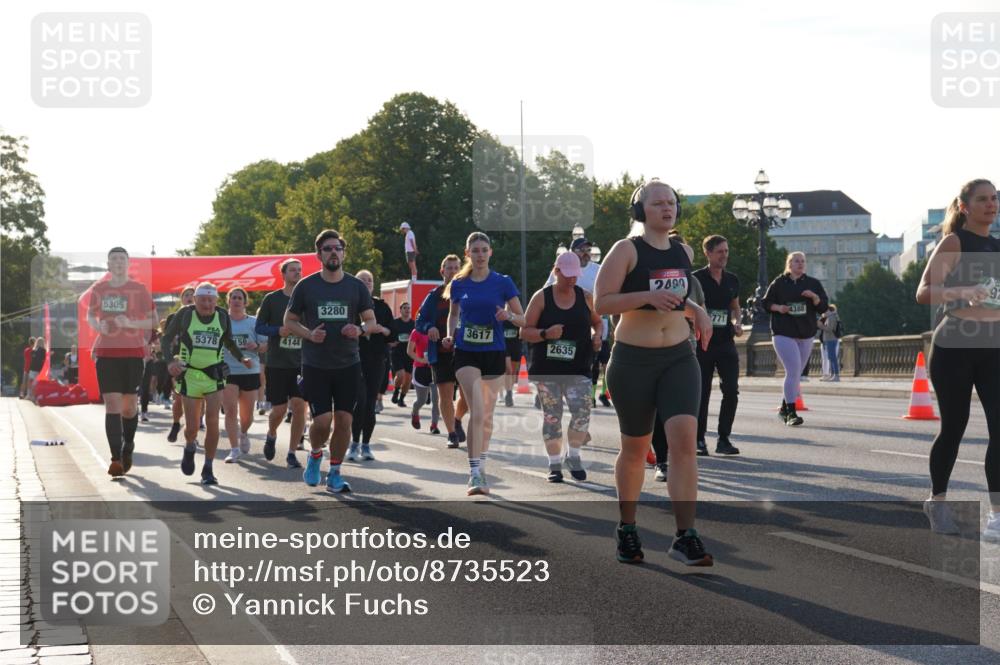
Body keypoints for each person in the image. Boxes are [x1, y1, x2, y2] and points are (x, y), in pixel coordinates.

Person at [595, 179, 714, 566]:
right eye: (658, 203)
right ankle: (627, 527)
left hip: (679, 357)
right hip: (633, 361)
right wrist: (645, 296)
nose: (667, 208)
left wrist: (696, 311)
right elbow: (602, 303)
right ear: (640, 211)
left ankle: (685, 536)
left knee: (683, 441)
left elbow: (677, 300)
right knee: (635, 450)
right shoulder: (626, 250)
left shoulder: (683, 251)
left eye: (672, 202)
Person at [916, 178, 1000, 541]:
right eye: (983, 199)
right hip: (954, 347)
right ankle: (938, 501)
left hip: (994, 345)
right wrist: (962, 291)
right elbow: (923, 292)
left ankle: (997, 517)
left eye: (995, 198)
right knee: (955, 427)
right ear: (965, 206)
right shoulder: (955, 242)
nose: (991, 204)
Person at [284, 229, 377, 493]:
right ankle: (315, 454)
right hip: (316, 364)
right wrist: (309, 334)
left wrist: (359, 329)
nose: (333, 252)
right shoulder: (307, 286)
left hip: (348, 363)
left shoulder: (356, 286)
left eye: (337, 248)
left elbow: (371, 321)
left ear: (343, 253)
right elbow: (289, 321)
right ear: (318, 254)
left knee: (345, 420)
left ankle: (335, 473)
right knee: (322, 421)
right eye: (328, 248)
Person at [443, 232, 524, 495]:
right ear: (468, 254)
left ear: (490, 253)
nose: (479, 254)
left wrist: (508, 315)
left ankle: (482, 466)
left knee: (486, 416)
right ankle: (475, 473)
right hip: (466, 352)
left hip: (494, 353)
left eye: (484, 250)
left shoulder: (503, 282)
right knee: (477, 409)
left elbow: (523, 319)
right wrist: (450, 334)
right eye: (475, 250)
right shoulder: (459, 283)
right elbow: (454, 314)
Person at [521, 251, 602, 483]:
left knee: (582, 412)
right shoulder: (542, 297)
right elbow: (524, 331)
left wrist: (597, 336)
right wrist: (546, 334)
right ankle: (554, 464)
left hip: (579, 367)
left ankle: (573, 456)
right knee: (552, 416)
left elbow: (598, 322)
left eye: (575, 275)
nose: (572, 279)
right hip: (548, 369)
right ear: (556, 271)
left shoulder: (586, 297)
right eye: (567, 275)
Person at [162, 282, 251, 485]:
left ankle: (208, 468)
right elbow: (166, 339)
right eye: (203, 300)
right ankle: (190, 445)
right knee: (192, 426)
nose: (207, 304)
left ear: (216, 301)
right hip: (190, 374)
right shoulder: (185, 314)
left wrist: (241, 358)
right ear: (195, 300)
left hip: (214, 375)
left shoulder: (221, 316)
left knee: (212, 421)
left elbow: (228, 340)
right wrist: (170, 362)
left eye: (211, 300)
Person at [86, 247, 157, 478]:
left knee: (128, 407)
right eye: (113, 259)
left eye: (121, 259)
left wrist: (130, 323)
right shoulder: (100, 289)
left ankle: (128, 446)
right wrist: (99, 326)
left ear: (128, 264)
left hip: (133, 353)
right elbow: (90, 316)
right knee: (112, 406)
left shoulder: (139, 289)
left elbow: (153, 321)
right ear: (108, 265)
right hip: (107, 353)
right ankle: (115, 458)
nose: (117, 262)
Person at [761, 251, 829, 427]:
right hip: (783, 333)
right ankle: (791, 412)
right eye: (796, 261)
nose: (800, 264)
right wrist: (779, 307)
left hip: (806, 333)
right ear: (789, 264)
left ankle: (784, 408)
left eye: (803, 261)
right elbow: (765, 303)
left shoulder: (812, 283)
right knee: (793, 371)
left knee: (796, 374)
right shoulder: (779, 283)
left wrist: (814, 297)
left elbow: (823, 306)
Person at [692, 235, 743, 455]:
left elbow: (735, 306)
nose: (725, 255)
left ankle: (724, 439)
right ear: (708, 253)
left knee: (731, 390)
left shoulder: (732, 279)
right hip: (703, 343)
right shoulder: (696, 279)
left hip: (725, 342)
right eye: (720, 251)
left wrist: (738, 322)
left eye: (727, 251)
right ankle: (699, 439)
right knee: (701, 393)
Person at [256, 259, 308, 467]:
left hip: (301, 362)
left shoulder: (307, 300)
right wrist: (277, 330)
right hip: (277, 362)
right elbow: (259, 326)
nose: (297, 273)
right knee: (279, 410)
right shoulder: (272, 299)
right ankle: (271, 433)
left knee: (299, 407)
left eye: (299, 270)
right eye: (293, 270)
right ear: (283, 274)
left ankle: (292, 453)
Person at [415, 254, 469, 448]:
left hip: (465, 351)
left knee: (468, 396)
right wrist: (429, 327)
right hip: (440, 353)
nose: (453, 271)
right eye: (449, 268)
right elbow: (419, 320)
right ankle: (452, 434)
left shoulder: (469, 292)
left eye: (456, 268)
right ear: (442, 271)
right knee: (445, 396)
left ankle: (456, 418)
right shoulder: (434, 295)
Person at [349, 269, 394, 461]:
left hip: (376, 360)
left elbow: (393, 335)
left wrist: (381, 329)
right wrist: (360, 330)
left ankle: (366, 445)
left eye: (370, 280)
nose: (367, 283)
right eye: (362, 280)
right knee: (358, 402)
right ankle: (354, 444)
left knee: (370, 403)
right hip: (353, 359)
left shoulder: (382, 307)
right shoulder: (350, 305)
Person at [221, 288, 267, 463]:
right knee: (231, 411)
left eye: (240, 298)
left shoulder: (254, 322)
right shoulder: (222, 321)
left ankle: (244, 432)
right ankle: (234, 449)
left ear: (245, 302)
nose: (237, 300)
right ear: (228, 301)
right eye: (233, 297)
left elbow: (265, 345)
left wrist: (255, 346)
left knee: (247, 416)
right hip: (228, 370)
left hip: (250, 370)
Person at [165, 288, 196, 443]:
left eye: (192, 295)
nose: (190, 298)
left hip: (198, 362)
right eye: (186, 295)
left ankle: (193, 430)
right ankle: (176, 423)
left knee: (198, 399)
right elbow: (167, 340)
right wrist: (170, 359)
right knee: (179, 397)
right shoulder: (173, 317)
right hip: (179, 360)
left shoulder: (203, 315)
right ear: (181, 299)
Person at [407, 326, 440, 431]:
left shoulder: (438, 329)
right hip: (420, 370)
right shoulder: (416, 331)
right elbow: (409, 351)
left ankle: (434, 426)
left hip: (434, 368)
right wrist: (421, 360)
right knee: (422, 400)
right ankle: (415, 412)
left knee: (436, 400)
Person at [391, 303, 415, 407]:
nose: (407, 310)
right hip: (397, 353)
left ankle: (401, 398)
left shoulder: (414, 324)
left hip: (409, 353)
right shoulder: (395, 323)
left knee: (408, 378)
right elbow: (388, 335)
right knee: (400, 375)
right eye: (405, 308)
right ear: (400, 310)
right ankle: (396, 391)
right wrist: (390, 342)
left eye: (409, 308)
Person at [818, 304, 842, 381]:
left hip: (831, 339)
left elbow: (829, 329)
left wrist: (821, 326)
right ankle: (833, 375)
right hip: (828, 339)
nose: (824, 313)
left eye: (825, 311)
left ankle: (836, 375)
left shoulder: (832, 318)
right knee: (830, 357)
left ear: (828, 310)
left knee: (832, 357)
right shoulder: (829, 317)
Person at [501, 320, 521, 407]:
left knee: (513, 372)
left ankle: (509, 390)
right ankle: (508, 394)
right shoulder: (500, 316)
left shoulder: (518, 317)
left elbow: (523, 331)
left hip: (515, 346)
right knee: (508, 370)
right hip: (504, 347)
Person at [27, 338, 47, 403]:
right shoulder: (43, 350)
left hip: (34, 369)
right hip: (37, 369)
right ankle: (34, 397)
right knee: (35, 384)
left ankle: (32, 396)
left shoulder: (34, 350)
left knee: (33, 383)